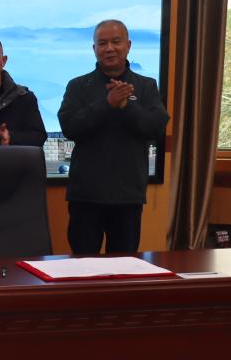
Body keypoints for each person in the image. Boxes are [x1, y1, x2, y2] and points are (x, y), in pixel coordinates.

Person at [58, 20, 169, 254]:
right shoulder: (78, 86)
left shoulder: (146, 86)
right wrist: (106, 104)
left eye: (116, 42)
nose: (109, 48)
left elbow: (155, 128)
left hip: (128, 195)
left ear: (128, 45)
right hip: (85, 195)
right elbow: (70, 127)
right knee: (82, 266)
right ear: (94, 49)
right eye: (102, 43)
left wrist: (127, 106)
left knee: (123, 265)